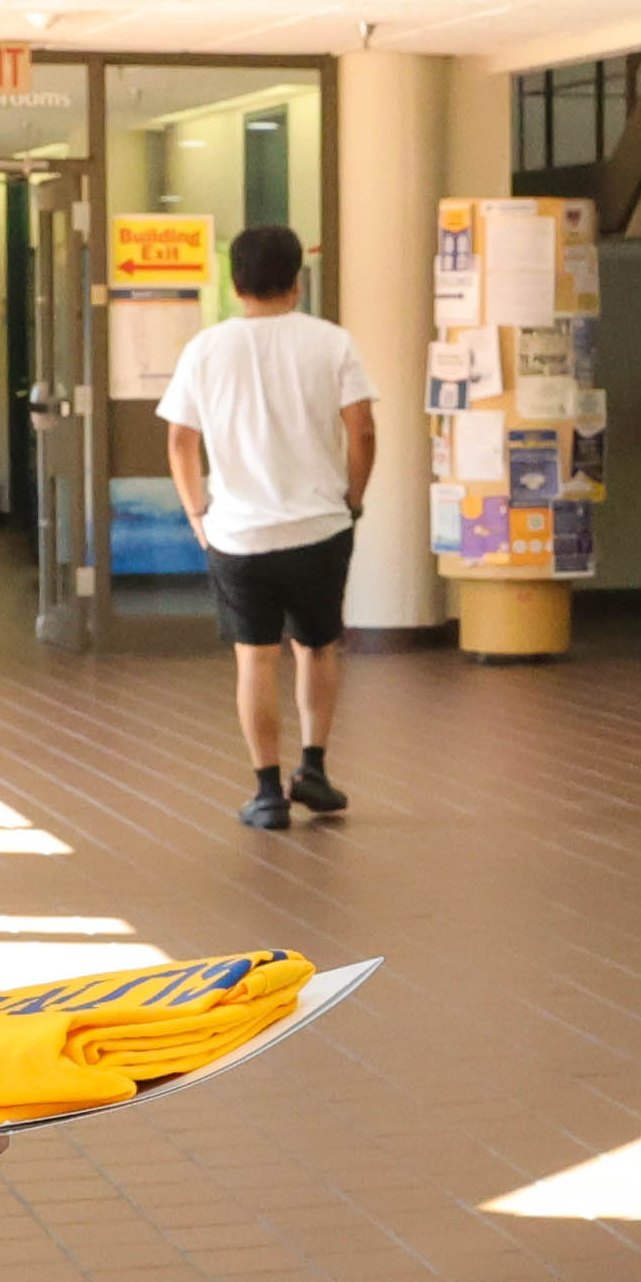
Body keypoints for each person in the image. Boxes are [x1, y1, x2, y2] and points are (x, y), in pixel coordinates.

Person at [157, 220, 379, 828]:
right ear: (297, 282)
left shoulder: (206, 348)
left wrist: (197, 512)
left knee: (255, 659)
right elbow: (361, 428)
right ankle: (314, 769)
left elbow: (180, 440)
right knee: (319, 647)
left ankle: (266, 793)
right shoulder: (331, 342)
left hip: (239, 534)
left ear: (235, 283)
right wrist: (352, 498)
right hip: (320, 526)